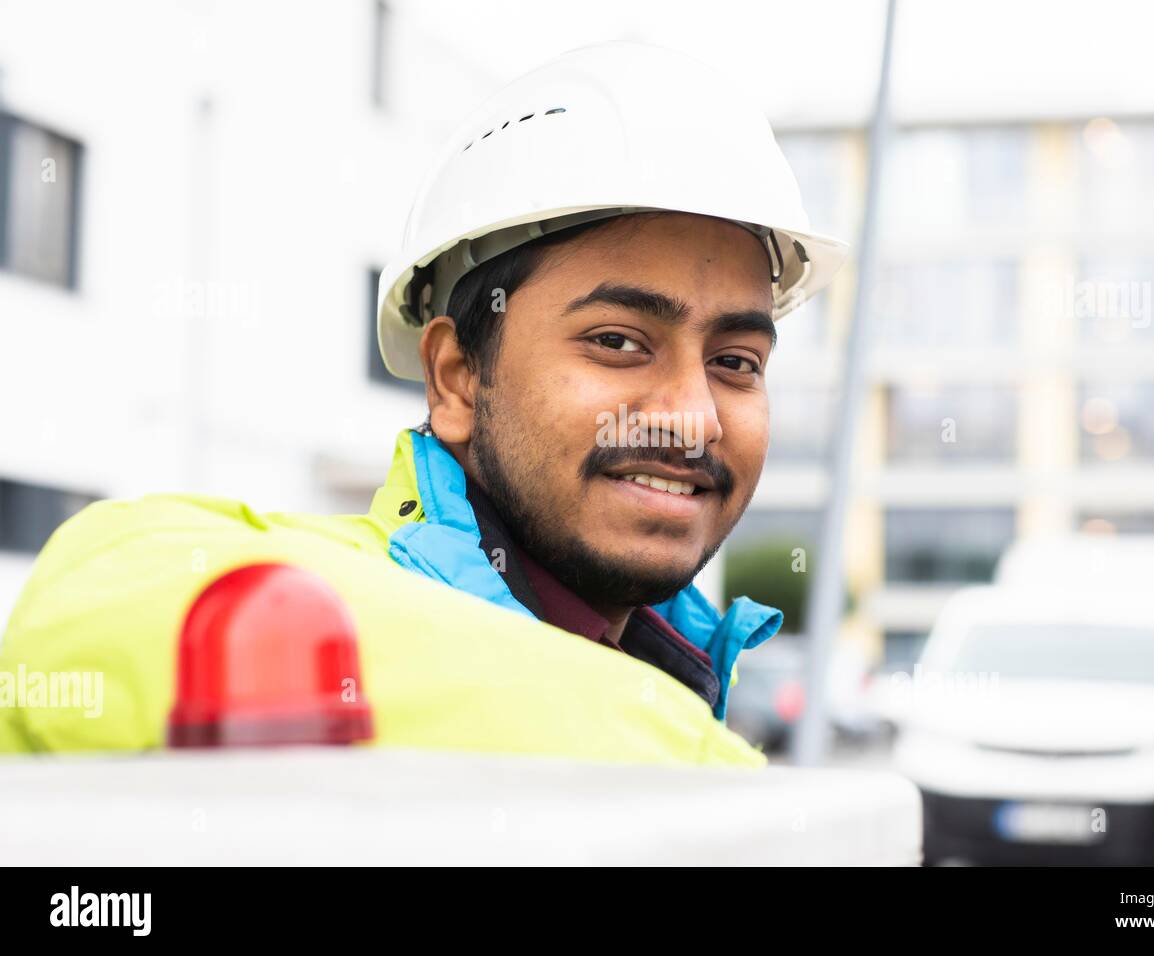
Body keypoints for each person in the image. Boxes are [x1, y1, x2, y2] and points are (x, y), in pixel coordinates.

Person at [0, 41, 848, 766]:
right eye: (617, 342)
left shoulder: (678, 680)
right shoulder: (323, 597)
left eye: (735, 361)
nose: (693, 417)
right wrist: (700, 774)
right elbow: (89, 599)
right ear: (454, 377)